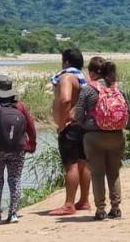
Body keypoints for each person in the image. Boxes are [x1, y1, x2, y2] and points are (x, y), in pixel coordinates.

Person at [0, 75, 39, 225]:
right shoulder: (20, 106)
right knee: (15, 180)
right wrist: (31, 145)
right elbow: (31, 127)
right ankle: (13, 214)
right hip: (17, 149)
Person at [73, 57, 125, 220]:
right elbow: (127, 110)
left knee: (97, 174)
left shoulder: (88, 89)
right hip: (117, 135)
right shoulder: (117, 88)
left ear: (94, 72)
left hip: (93, 136)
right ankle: (116, 208)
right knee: (114, 173)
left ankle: (101, 209)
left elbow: (79, 114)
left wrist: (84, 126)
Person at [50, 48, 91, 216]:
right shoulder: (84, 78)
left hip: (71, 126)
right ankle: (84, 200)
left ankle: (68, 204)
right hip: (84, 124)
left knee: (71, 164)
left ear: (66, 61)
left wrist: (61, 122)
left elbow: (65, 99)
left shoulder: (67, 77)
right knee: (83, 163)